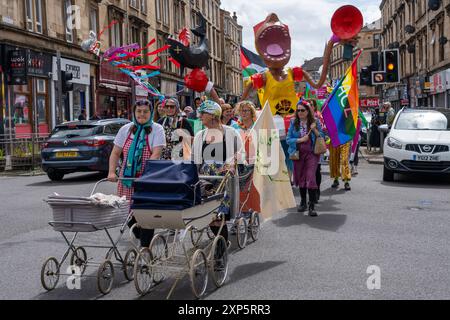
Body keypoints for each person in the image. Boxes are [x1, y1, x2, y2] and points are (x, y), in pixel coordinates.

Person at [107, 99, 166, 247]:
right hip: (127, 179)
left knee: (146, 214)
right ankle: (143, 238)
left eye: (145, 111)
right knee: (127, 214)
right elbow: (115, 153)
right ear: (134, 112)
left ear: (151, 113)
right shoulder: (125, 129)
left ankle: (145, 249)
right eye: (139, 111)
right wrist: (111, 172)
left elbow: (156, 154)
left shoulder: (157, 129)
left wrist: (146, 175)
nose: (142, 114)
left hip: (148, 179)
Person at [192, 100, 243, 246]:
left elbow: (240, 152)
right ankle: (221, 242)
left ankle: (221, 248)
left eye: (203, 113)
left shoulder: (231, 132)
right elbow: (195, 160)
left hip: (224, 180)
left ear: (214, 115)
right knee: (208, 215)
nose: (199, 116)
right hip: (205, 180)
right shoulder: (200, 135)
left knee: (217, 216)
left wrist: (231, 163)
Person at [287, 100, 324, 216]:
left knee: (311, 177)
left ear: (308, 111)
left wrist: (314, 129)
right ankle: (303, 202)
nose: (300, 112)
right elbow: (288, 139)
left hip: (312, 153)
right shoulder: (293, 122)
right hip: (298, 153)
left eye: (302, 110)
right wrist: (299, 140)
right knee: (301, 178)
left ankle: (311, 206)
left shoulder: (315, 122)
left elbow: (322, 136)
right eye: (298, 110)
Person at [232, 100, 261, 213]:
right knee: (241, 188)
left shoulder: (257, 125)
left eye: (246, 111)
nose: (243, 113)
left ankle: (252, 210)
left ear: (252, 112)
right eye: (241, 111)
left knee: (253, 188)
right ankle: (241, 211)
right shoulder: (235, 126)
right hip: (240, 161)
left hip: (255, 160)